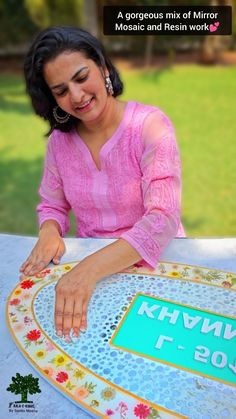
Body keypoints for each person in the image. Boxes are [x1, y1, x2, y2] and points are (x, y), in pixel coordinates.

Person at [20, 26, 185, 342]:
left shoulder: (149, 126)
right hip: (91, 275)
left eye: (81, 78)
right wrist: (49, 231)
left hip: (155, 263)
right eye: (61, 90)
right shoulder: (59, 143)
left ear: (104, 68)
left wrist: (87, 271)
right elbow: (52, 204)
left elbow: (163, 217)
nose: (77, 96)